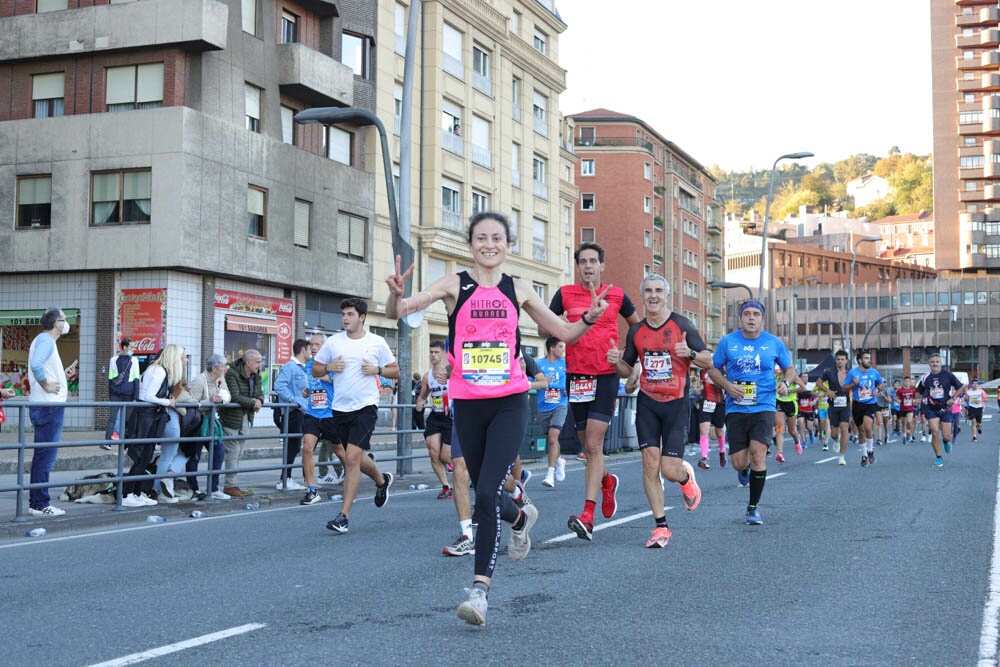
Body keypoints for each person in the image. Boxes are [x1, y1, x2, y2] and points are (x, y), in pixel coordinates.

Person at [385, 211, 609, 626]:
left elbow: (563, 331)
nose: (489, 244)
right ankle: (521, 517)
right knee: (476, 483)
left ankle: (480, 593)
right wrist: (396, 296)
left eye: (497, 238)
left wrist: (589, 319)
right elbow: (403, 309)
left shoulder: (518, 288)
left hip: (509, 400)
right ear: (470, 244)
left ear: (508, 245)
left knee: (486, 490)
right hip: (467, 403)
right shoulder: (454, 283)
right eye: (481, 238)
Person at [608, 274, 707, 549]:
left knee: (669, 469)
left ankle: (685, 478)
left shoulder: (682, 324)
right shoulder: (637, 330)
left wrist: (690, 353)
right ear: (643, 296)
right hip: (648, 403)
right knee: (650, 463)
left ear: (667, 295)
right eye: (648, 291)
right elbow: (628, 368)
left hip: (675, 404)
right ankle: (661, 527)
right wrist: (618, 363)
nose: (653, 296)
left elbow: (708, 358)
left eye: (658, 291)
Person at [550, 242, 640, 542]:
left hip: (605, 376)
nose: (588, 266)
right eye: (582, 261)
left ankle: (587, 515)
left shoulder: (617, 294)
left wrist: (628, 359)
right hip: (576, 376)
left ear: (602, 265)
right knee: (588, 448)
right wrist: (556, 325)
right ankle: (606, 482)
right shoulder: (564, 294)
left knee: (592, 444)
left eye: (593, 261)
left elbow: (638, 328)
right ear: (577, 266)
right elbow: (542, 328)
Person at [312, 298, 397, 534]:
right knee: (355, 459)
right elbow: (315, 369)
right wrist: (329, 368)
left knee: (350, 459)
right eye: (343, 315)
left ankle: (343, 517)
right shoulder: (333, 342)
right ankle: (382, 481)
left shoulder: (376, 342)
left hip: (366, 407)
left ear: (362, 317)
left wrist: (377, 370)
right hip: (340, 408)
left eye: (350, 314)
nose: (345, 319)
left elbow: (396, 371)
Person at [707, 299, 795, 525]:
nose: (751, 317)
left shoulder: (773, 343)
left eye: (756, 313)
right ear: (741, 318)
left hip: (764, 404)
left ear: (762, 318)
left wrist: (785, 381)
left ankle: (753, 508)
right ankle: (744, 469)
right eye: (747, 313)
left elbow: (790, 368)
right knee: (738, 461)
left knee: (758, 452)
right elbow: (713, 369)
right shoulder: (728, 342)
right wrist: (727, 385)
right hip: (736, 407)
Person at [26, 307, 70, 516]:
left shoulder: (42, 340)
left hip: (45, 405)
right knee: (45, 457)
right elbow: (36, 364)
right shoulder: (46, 341)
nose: (67, 322)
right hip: (48, 407)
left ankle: (37, 502)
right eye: (64, 319)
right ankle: (40, 504)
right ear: (57, 324)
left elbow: (39, 365)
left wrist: (59, 378)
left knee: (42, 456)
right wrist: (46, 385)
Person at [220, 349, 263, 498]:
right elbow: (235, 396)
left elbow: (260, 393)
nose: (260, 364)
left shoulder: (256, 376)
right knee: (233, 450)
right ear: (248, 362)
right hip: (231, 418)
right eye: (257, 362)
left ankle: (233, 483)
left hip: (246, 416)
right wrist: (253, 402)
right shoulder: (232, 373)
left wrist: (259, 401)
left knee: (240, 451)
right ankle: (230, 485)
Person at [152, 345, 192, 502]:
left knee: (166, 456)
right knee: (168, 456)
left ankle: (157, 490)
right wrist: (196, 402)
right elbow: (178, 399)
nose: (187, 360)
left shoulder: (162, 371)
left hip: (164, 417)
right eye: (184, 357)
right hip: (170, 417)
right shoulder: (172, 376)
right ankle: (160, 492)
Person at [187, 353, 230, 499]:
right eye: (223, 367)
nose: (225, 369)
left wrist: (222, 399)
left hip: (212, 423)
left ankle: (213, 488)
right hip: (199, 423)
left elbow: (227, 395)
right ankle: (193, 489)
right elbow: (192, 402)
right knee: (194, 456)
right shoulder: (199, 380)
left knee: (218, 453)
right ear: (214, 368)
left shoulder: (220, 379)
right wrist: (209, 400)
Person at [415, 340, 454, 499]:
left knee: (446, 456)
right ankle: (446, 486)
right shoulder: (427, 376)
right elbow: (423, 395)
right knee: (433, 451)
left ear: (443, 353)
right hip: (435, 415)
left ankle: (466, 470)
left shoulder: (451, 372)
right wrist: (420, 403)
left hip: (451, 416)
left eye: (436, 352)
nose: (433, 355)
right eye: (431, 352)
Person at [273, 338, 311, 491]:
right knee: (292, 446)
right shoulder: (290, 367)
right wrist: (294, 400)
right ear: (303, 350)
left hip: (301, 411)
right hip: (293, 412)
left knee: (295, 446)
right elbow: (279, 386)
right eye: (309, 350)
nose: (311, 353)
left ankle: (288, 478)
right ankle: (284, 479)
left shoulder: (304, 368)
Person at [916, 353, 966, 466]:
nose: (935, 364)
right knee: (934, 432)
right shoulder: (925, 377)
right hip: (931, 408)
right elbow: (919, 391)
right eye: (932, 362)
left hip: (946, 408)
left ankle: (946, 441)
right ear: (929, 363)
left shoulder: (948, 375)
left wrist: (953, 398)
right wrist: (917, 399)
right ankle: (938, 457)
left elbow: (961, 387)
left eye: (937, 362)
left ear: (941, 363)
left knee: (947, 436)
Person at [843, 350, 885, 467]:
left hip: (870, 403)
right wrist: (853, 384)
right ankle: (864, 454)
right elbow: (844, 388)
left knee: (868, 426)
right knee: (861, 431)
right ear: (860, 360)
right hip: (857, 404)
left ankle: (870, 450)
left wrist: (878, 389)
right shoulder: (852, 373)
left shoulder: (874, 372)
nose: (869, 360)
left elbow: (881, 384)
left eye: (869, 358)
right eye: (866, 358)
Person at [537, 336, 569, 488]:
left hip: (560, 405)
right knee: (552, 440)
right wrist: (542, 382)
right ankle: (559, 460)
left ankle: (550, 475)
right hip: (543, 406)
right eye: (560, 347)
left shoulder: (565, 364)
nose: (563, 350)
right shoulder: (538, 364)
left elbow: (571, 382)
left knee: (552, 439)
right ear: (552, 348)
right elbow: (529, 381)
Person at [104, 337, 140, 448]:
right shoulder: (113, 360)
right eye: (131, 347)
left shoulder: (134, 360)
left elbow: (136, 379)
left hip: (129, 394)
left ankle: (122, 444)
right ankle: (108, 442)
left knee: (126, 419)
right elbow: (111, 378)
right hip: (116, 394)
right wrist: (110, 395)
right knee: (113, 418)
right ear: (124, 347)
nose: (133, 349)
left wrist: (136, 397)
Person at [818, 350, 852, 466]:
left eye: (843, 359)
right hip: (833, 405)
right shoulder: (829, 372)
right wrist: (828, 391)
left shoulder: (850, 373)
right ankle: (836, 440)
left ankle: (842, 457)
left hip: (845, 405)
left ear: (846, 361)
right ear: (835, 360)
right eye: (838, 359)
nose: (840, 361)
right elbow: (818, 383)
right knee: (834, 434)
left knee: (844, 428)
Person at [697, 367, 727, 469]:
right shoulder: (702, 372)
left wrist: (715, 381)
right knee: (704, 431)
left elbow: (724, 384)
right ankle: (704, 457)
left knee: (719, 431)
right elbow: (700, 385)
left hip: (719, 403)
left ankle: (722, 451)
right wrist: (699, 388)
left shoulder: (721, 370)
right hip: (706, 403)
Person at [773, 372, 803, 463]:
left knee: (792, 430)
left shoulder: (793, 376)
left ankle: (797, 441)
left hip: (791, 404)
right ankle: (780, 453)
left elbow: (803, 388)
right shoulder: (777, 376)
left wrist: (789, 391)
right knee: (779, 428)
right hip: (779, 402)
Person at [896, 376, 918, 445]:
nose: (907, 383)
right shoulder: (900, 390)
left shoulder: (913, 390)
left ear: (910, 382)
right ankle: (904, 436)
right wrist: (898, 401)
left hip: (910, 408)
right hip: (902, 408)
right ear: (903, 382)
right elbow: (896, 398)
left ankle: (908, 432)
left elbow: (916, 398)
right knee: (903, 424)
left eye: (908, 381)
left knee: (909, 421)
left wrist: (915, 401)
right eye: (906, 381)